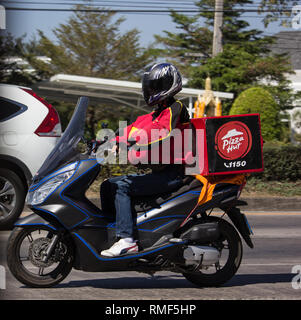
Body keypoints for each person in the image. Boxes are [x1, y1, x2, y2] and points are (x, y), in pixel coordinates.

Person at [99, 63, 190, 257]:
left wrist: (133, 144)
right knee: (108, 186)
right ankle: (111, 233)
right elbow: (129, 130)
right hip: (160, 172)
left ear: (168, 85)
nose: (150, 90)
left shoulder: (176, 109)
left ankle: (127, 240)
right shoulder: (153, 114)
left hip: (173, 174)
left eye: (154, 86)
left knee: (122, 186)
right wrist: (105, 141)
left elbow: (164, 136)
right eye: (149, 86)